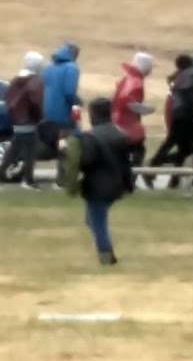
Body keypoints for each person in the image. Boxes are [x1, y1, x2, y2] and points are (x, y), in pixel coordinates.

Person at [72, 97, 135, 266]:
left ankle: (107, 259)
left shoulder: (91, 137)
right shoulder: (119, 134)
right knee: (91, 219)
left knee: (98, 224)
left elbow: (86, 161)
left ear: (93, 115)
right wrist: (129, 185)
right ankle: (106, 250)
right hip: (116, 185)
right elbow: (126, 164)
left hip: (96, 187)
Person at [148, 50, 193, 188]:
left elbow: (177, 87)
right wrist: (192, 100)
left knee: (180, 146)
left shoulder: (189, 71)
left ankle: (160, 171)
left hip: (179, 112)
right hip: (186, 114)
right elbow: (186, 89)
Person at [0, 51, 45, 190]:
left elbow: (8, 98)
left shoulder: (16, 80)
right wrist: (39, 116)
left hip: (17, 119)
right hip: (29, 121)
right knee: (30, 151)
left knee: (14, 149)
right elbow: (36, 101)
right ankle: (28, 180)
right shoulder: (35, 81)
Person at [41, 42, 82, 186]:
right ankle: (63, 179)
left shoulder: (48, 68)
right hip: (64, 117)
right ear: (72, 54)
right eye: (77, 54)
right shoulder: (72, 68)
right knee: (66, 146)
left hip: (47, 116)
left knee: (60, 146)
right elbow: (70, 93)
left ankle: (62, 178)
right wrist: (78, 108)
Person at [112, 52, 155, 172]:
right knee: (137, 150)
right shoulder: (136, 81)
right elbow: (128, 102)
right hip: (126, 124)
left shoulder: (128, 78)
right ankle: (130, 178)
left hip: (118, 120)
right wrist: (147, 110)